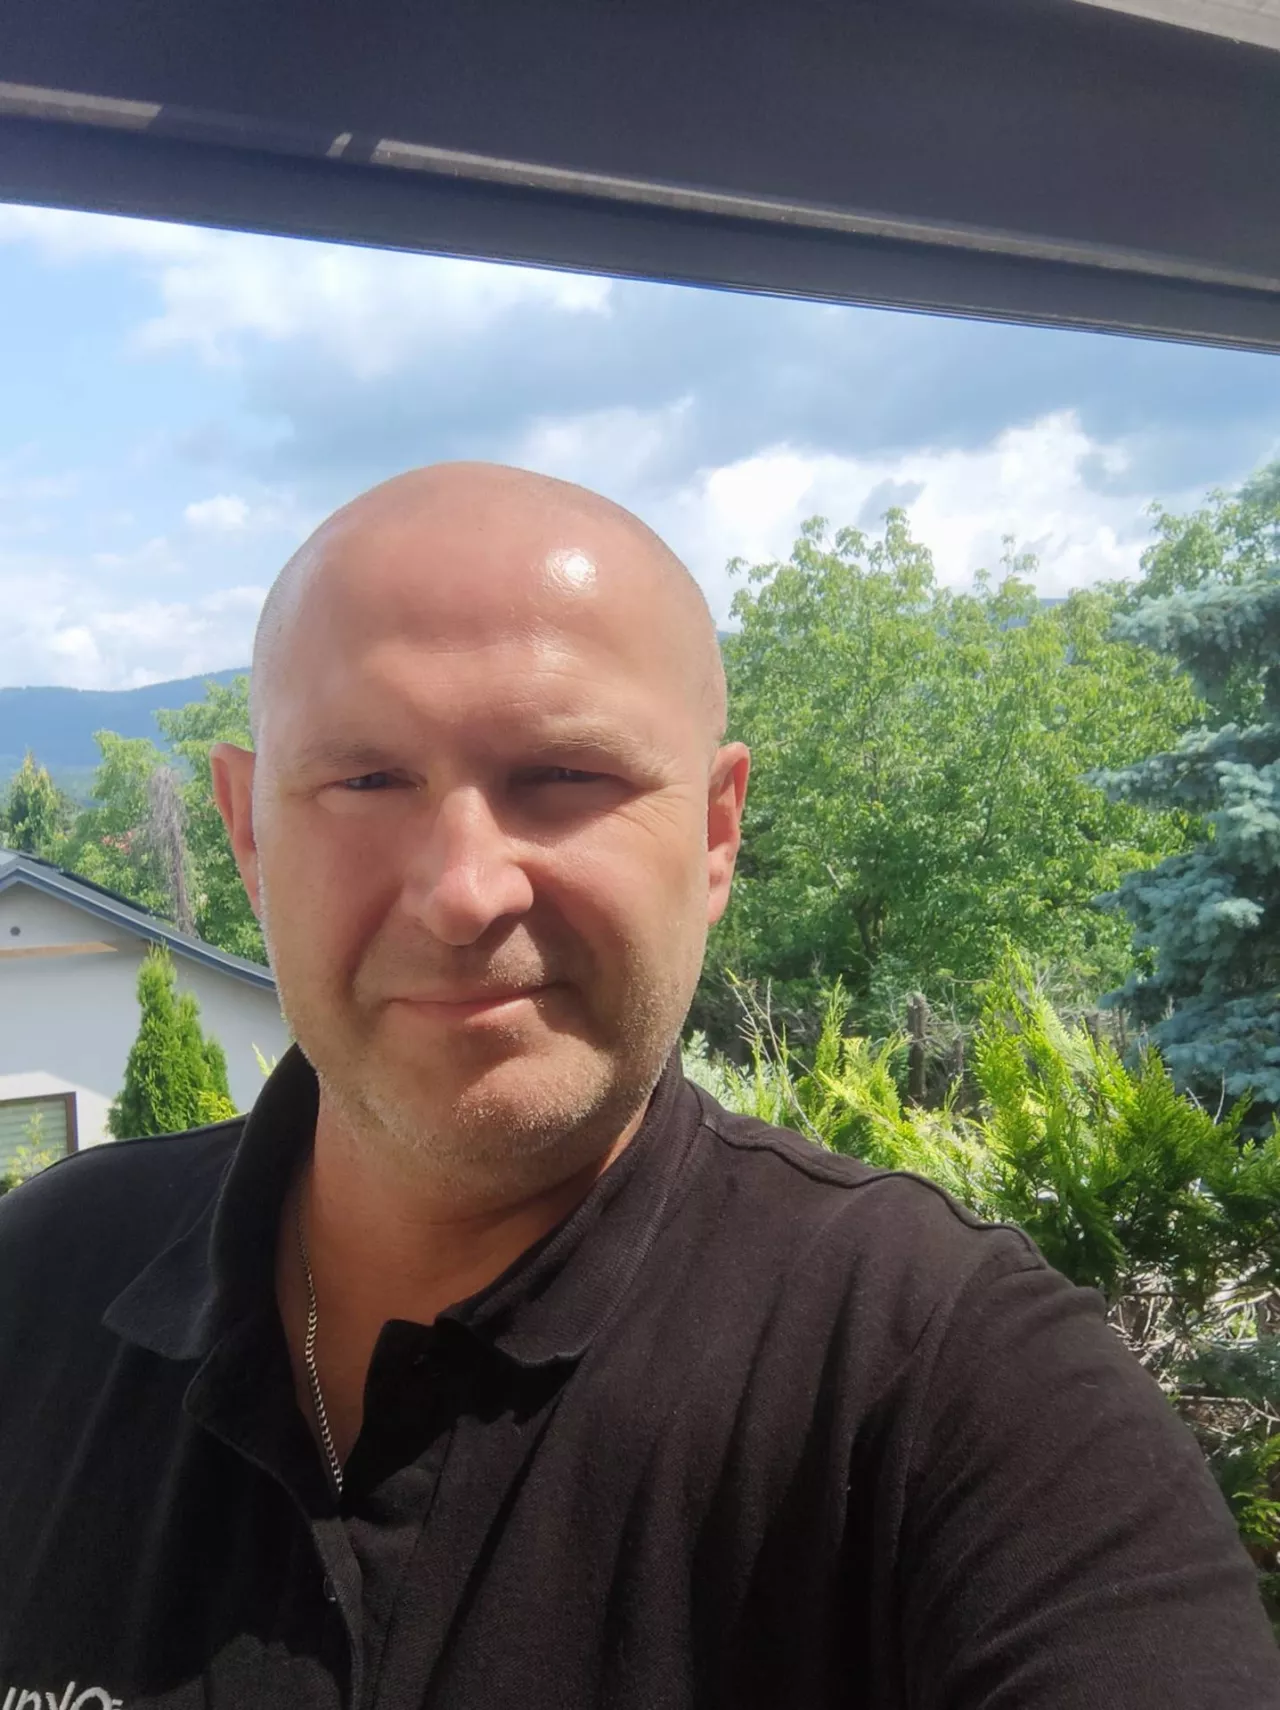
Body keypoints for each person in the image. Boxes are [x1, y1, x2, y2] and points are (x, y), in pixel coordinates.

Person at [0, 463, 1275, 1710]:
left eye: (564, 776)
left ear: (715, 834)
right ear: (247, 829)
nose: (463, 892)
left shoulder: (945, 1380)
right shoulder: (41, 1279)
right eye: (368, 780)